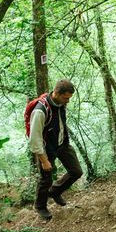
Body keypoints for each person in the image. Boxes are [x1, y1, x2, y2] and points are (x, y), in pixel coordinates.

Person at [28, 79, 83, 221]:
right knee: (46, 178)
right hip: (46, 149)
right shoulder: (40, 110)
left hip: (62, 144)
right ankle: (40, 206)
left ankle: (55, 191)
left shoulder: (60, 103)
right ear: (56, 93)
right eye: (66, 98)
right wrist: (44, 160)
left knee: (76, 171)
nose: (68, 101)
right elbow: (34, 139)